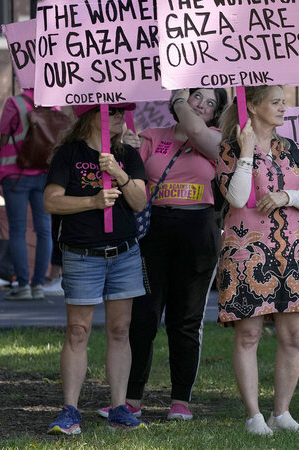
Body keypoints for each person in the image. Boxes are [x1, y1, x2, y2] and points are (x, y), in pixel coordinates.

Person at [97, 88, 227, 422]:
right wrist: (123, 145)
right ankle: (130, 398)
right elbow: (127, 172)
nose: (201, 104)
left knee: (186, 320)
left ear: (215, 114)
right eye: (197, 96)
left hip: (198, 231)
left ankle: (180, 401)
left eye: (210, 103)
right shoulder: (152, 136)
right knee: (142, 317)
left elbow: (196, 131)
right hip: (153, 232)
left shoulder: (217, 138)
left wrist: (179, 99)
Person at [216, 85, 299, 436]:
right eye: (275, 102)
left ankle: (282, 413)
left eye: (282, 101)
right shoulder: (229, 148)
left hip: (291, 249)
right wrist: (246, 151)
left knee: (294, 335)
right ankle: (253, 416)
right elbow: (238, 197)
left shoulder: (289, 149)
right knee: (249, 335)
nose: (283, 107)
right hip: (246, 252)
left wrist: (285, 195)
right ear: (255, 107)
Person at [43, 103, 148, 434]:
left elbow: (139, 201)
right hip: (82, 255)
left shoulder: (127, 156)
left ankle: (119, 408)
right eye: (114, 112)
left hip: (124, 254)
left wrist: (118, 172)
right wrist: (91, 201)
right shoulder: (68, 155)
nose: (121, 117)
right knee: (78, 331)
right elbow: (51, 200)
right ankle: (70, 411)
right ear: (93, 116)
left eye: (122, 112)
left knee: (120, 330)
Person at [0, 88, 58, 300]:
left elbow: (3, 137)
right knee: (44, 230)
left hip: (15, 174)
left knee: (17, 229)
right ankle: (39, 285)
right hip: (44, 173)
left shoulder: (14, 103)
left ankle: (23, 285)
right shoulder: (54, 103)